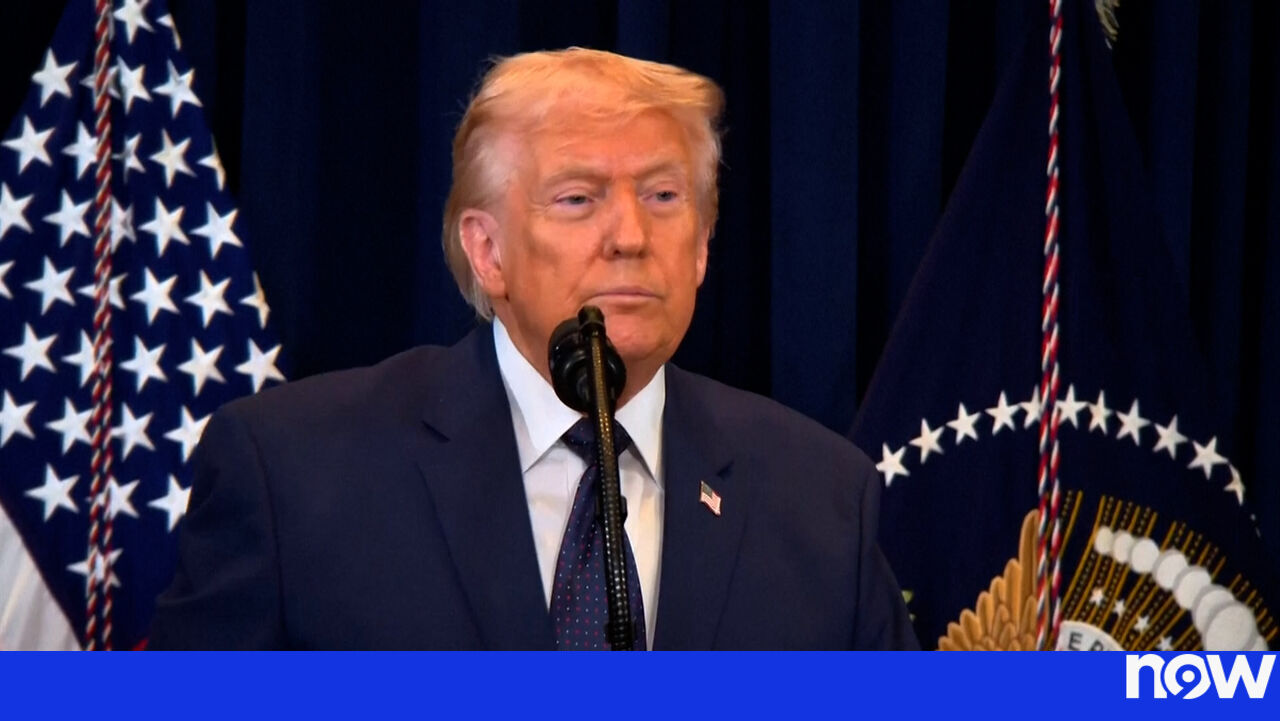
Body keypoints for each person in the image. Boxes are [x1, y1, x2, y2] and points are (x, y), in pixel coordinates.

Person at [149, 48, 918, 650]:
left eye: (663, 196)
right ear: (487, 252)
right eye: (579, 198)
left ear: (702, 247)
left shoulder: (821, 497)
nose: (630, 236)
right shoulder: (294, 472)